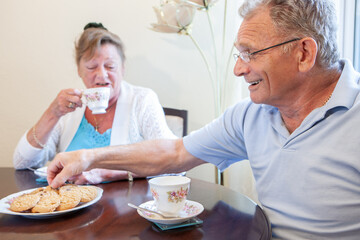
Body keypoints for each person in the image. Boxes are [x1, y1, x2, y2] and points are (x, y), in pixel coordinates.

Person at [47, 1, 360, 239]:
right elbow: (173, 153)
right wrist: (88, 157)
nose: (239, 69)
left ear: (303, 53)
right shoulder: (250, 115)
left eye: (250, 53)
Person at [13, 22, 177, 184]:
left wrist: (107, 173)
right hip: (72, 204)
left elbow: (174, 160)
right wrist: (52, 113)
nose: (102, 74)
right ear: (79, 70)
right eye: (92, 66)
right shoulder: (70, 106)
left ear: (123, 69)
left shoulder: (142, 100)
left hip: (124, 206)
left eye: (110, 66)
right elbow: (22, 163)